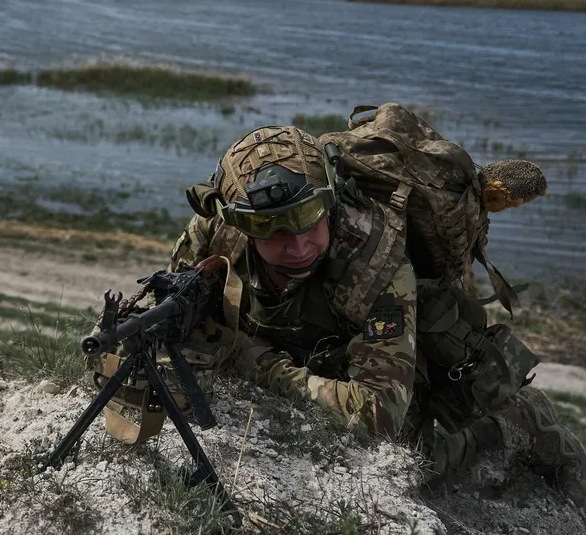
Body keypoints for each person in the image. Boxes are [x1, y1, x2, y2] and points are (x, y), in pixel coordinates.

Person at [110, 125, 586, 506]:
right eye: (267, 228)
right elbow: (164, 302)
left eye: (307, 218)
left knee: (410, 469)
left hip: (370, 369)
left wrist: (253, 362)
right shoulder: (215, 229)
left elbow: (377, 414)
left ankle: (519, 420)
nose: (295, 245)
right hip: (302, 354)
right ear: (237, 220)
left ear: (330, 202)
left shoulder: (375, 265)